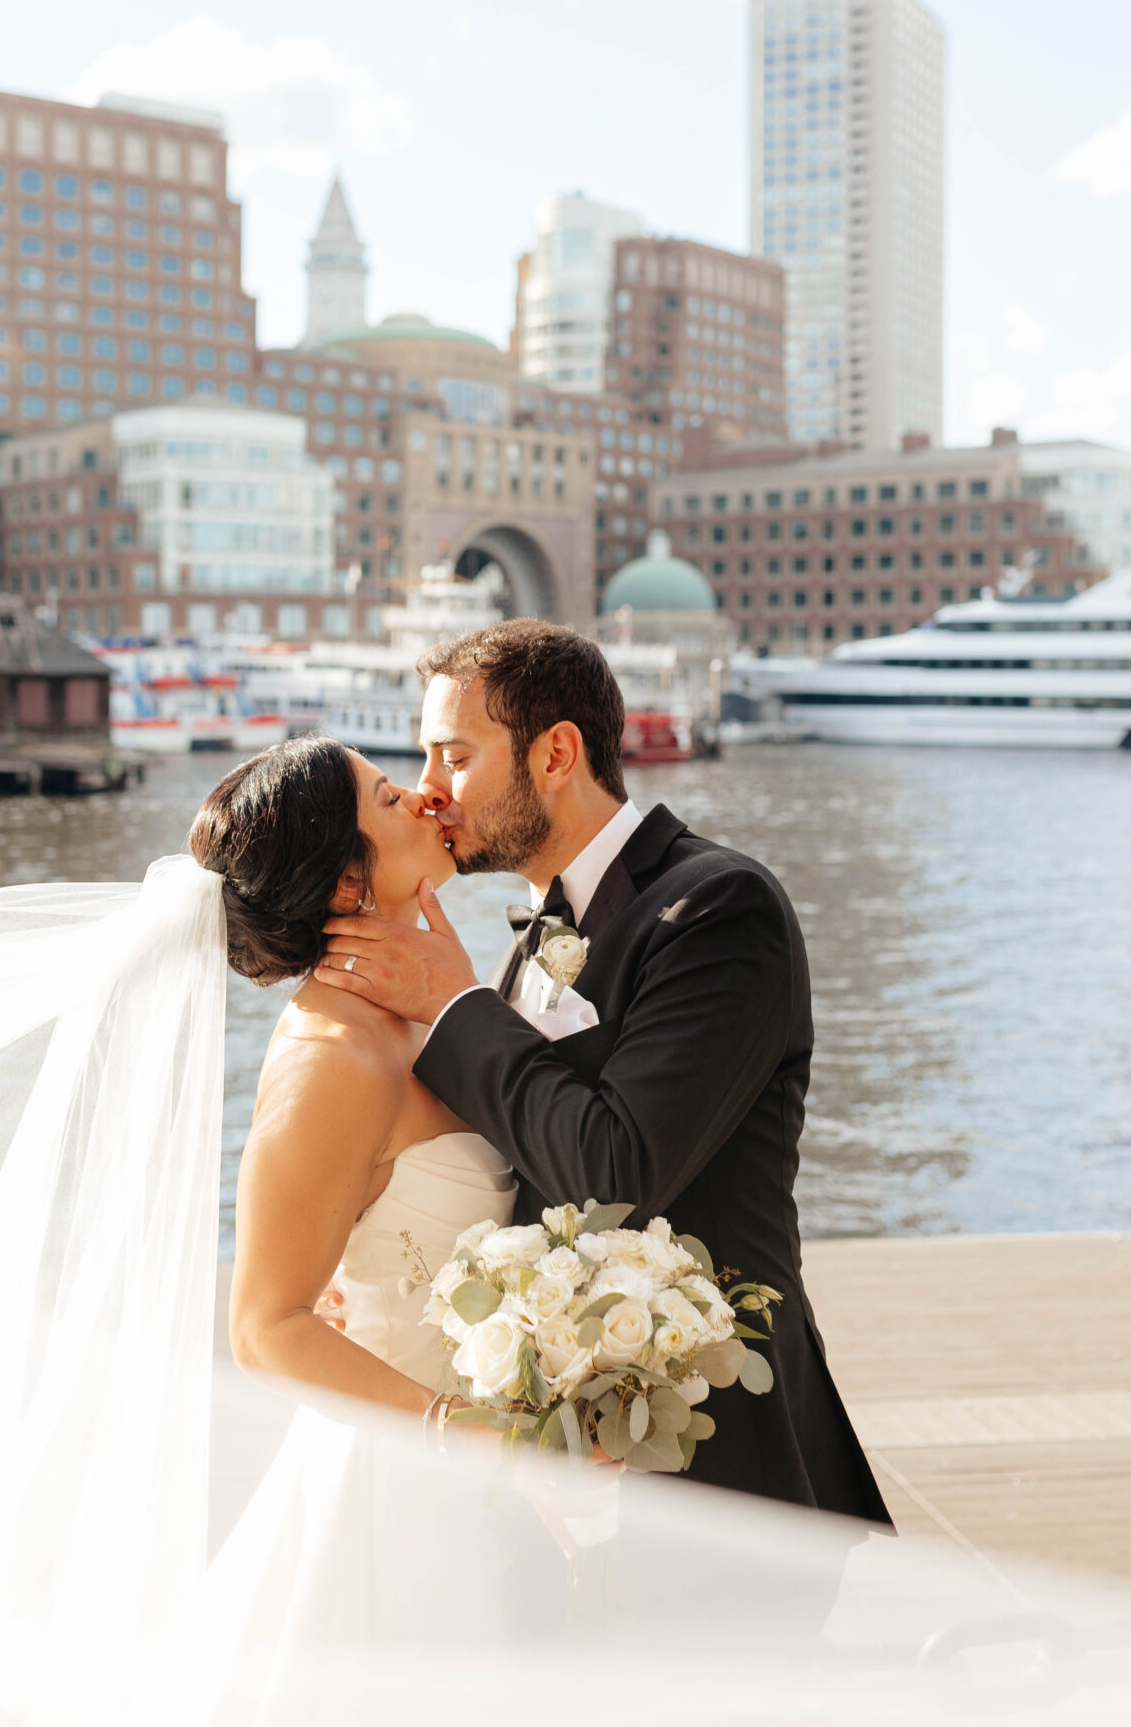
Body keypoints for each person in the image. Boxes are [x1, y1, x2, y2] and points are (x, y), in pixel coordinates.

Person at [315, 618, 890, 1525]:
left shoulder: (717, 909)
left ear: (554, 754)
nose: (430, 792)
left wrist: (454, 1004)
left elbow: (615, 1169)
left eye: (453, 758)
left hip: (719, 1469)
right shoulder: (527, 935)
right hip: (553, 1470)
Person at [190, 734, 516, 1425]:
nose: (427, 797)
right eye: (389, 798)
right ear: (347, 881)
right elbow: (263, 1329)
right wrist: (465, 1432)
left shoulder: (415, 1009)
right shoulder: (330, 1054)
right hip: (402, 1464)